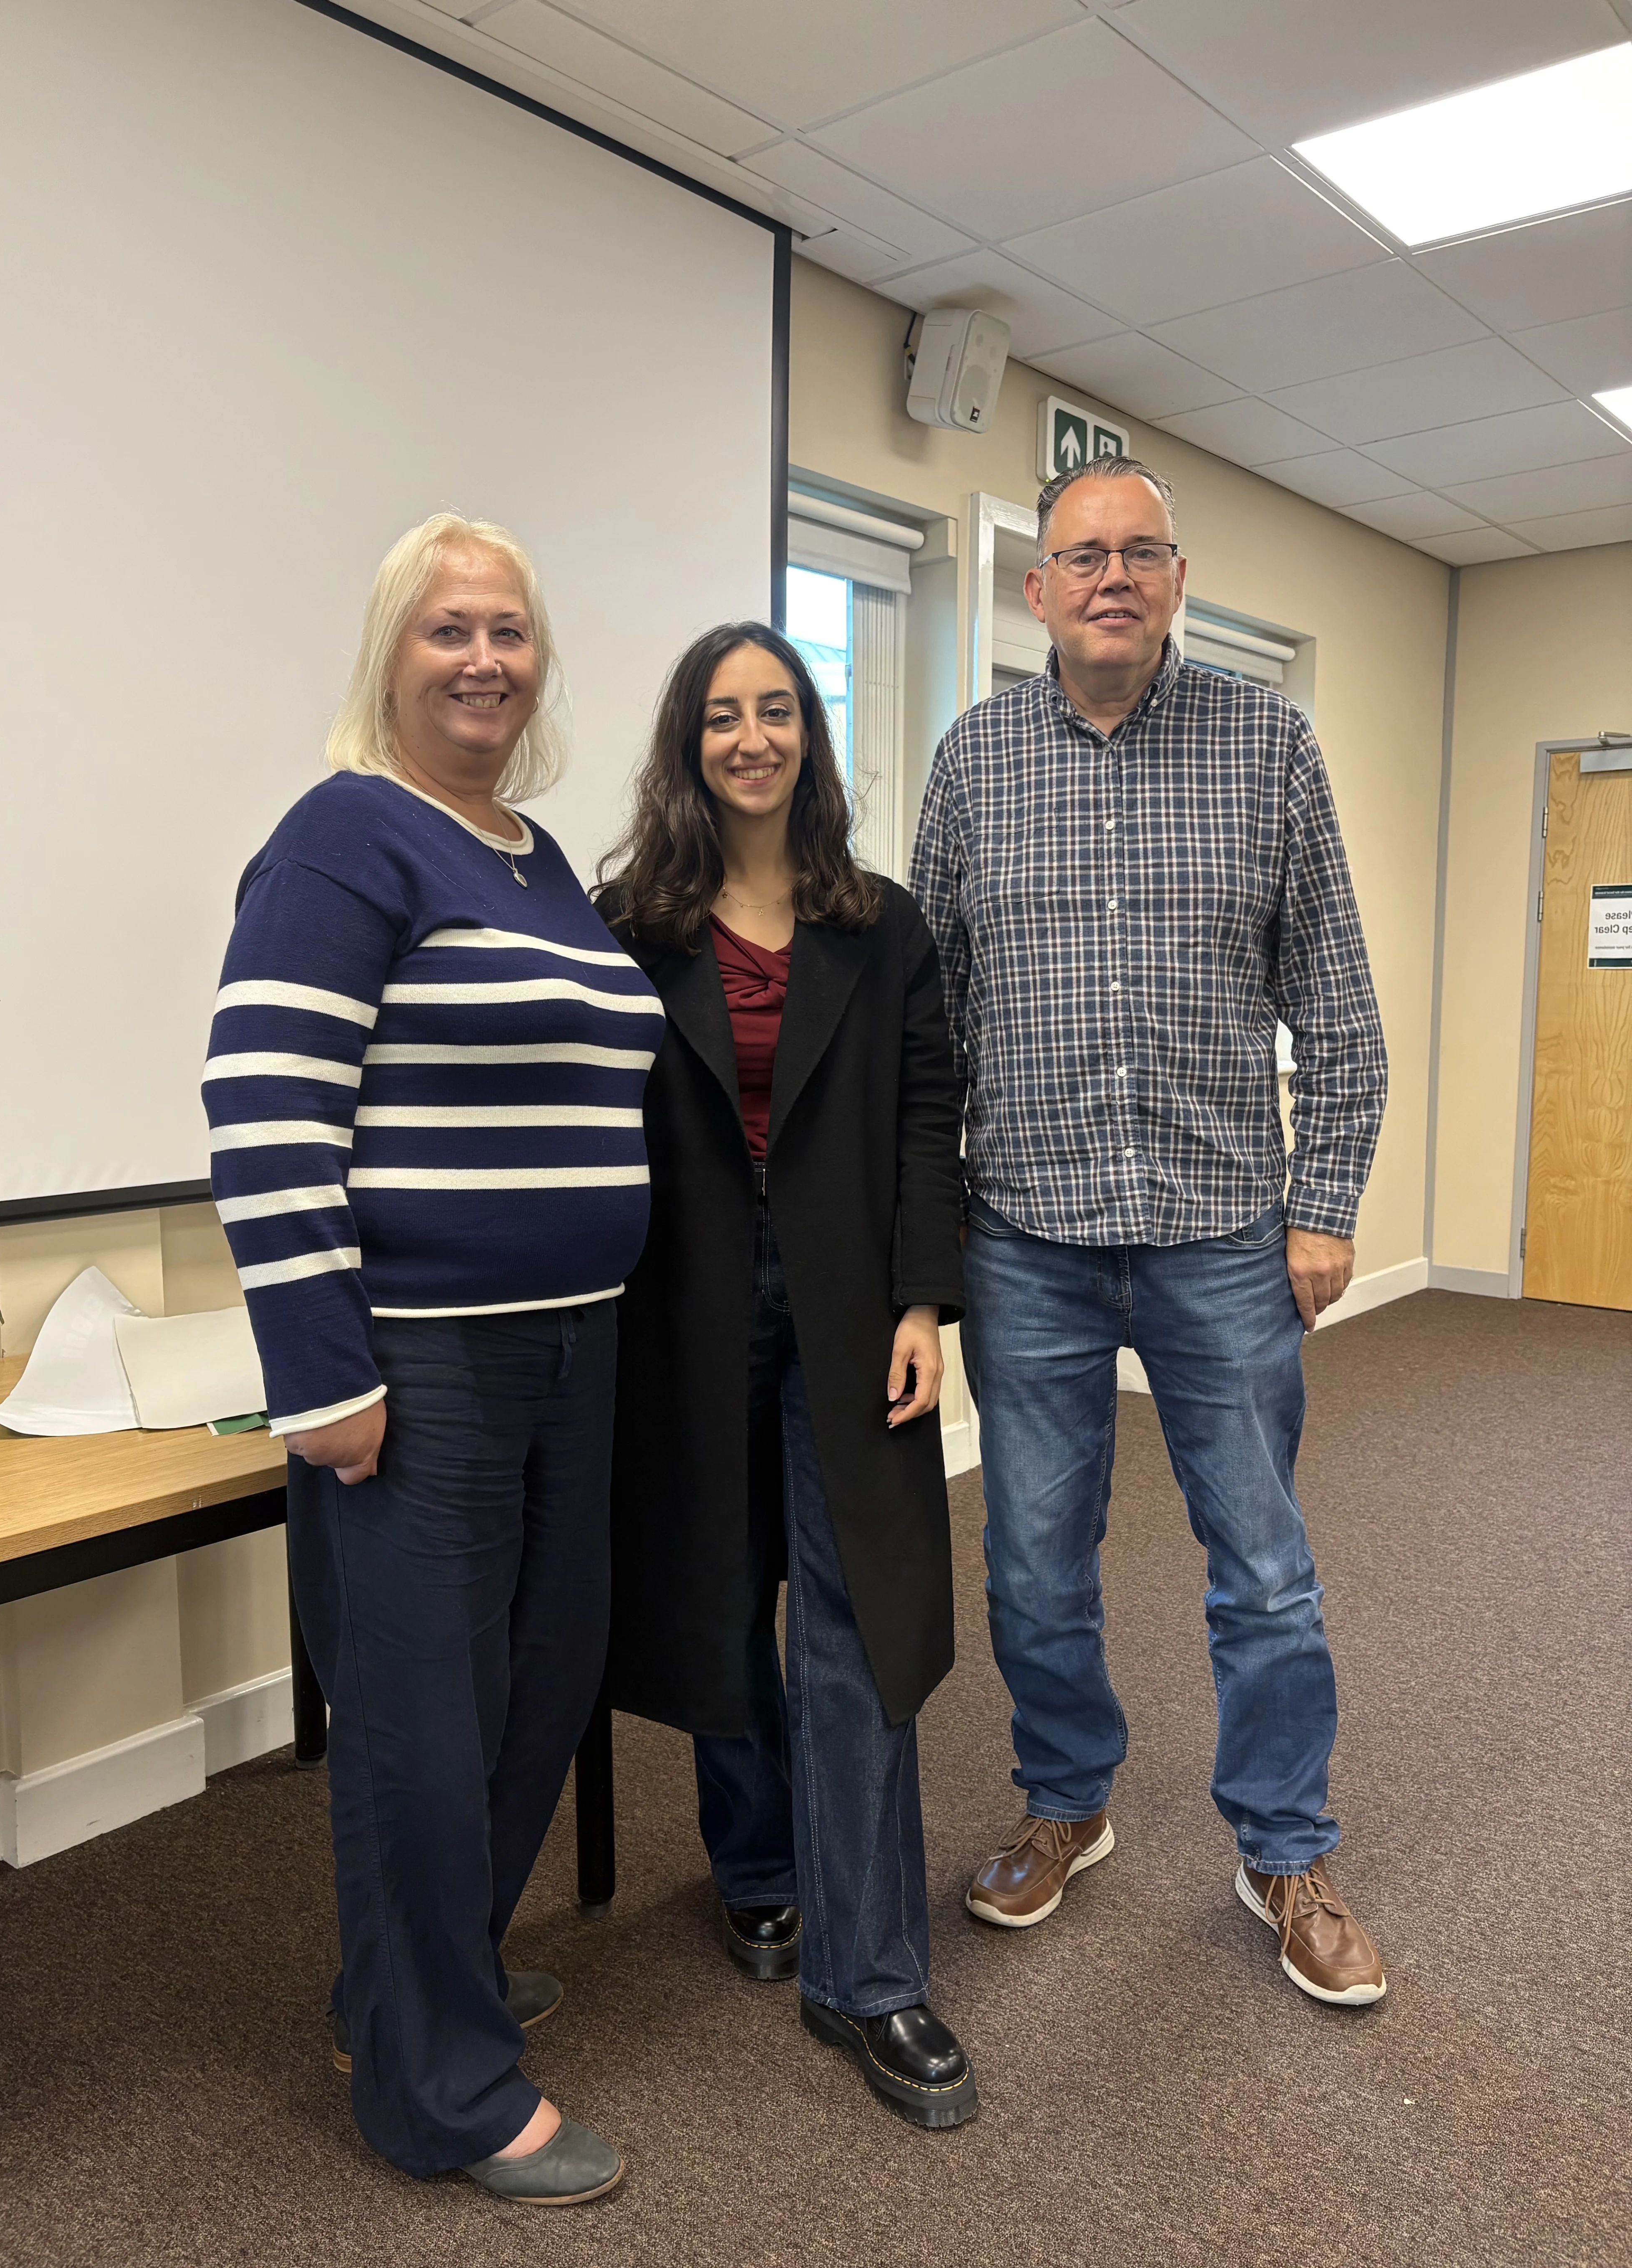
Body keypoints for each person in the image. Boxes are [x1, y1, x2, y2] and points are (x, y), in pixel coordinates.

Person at [204, 513, 663, 2204]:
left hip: (573, 1350)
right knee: (419, 1716)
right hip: (421, 1363)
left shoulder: (533, 857)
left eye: (512, 631)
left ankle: (414, 1987)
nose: (484, 658)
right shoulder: (343, 839)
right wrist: (321, 1373)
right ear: (392, 653)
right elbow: (263, 1111)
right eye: (449, 629)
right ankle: (441, 2090)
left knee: (540, 1680)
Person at [910, 457, 1390, 2007]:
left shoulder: (1268, 744)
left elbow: (1335, 998)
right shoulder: (977, 761)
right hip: (1031, 1235)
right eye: (1079, 556)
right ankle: (1069, 1804)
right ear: (1035, 591)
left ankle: (1285, 1849)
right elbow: (933, 1017)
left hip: (1221, 1234)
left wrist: (1325, 1206)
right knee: (1037, 1565)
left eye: (1139, 552)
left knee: (1262, 1567)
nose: (1110, 577)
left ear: (1177, 579)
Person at [595, 622, 978, 2127]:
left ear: (810, 736)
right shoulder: (628, 921)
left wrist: (926, 1300)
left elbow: (928, 1110)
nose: (751, 738)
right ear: (688, 744)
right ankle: (757, 1869)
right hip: (677, 1311)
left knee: (854, 1620)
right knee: (719, 1596)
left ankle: (873, 1972)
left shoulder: (879, 923)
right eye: (720, 716)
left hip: (848, 1309)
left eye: (777, 711)